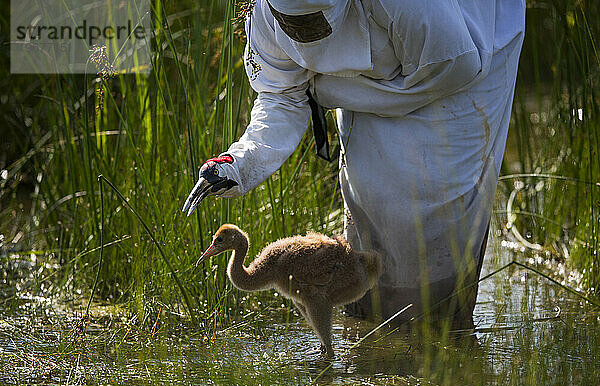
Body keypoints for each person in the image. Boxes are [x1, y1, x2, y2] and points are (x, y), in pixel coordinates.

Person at [183, 0, 526, 322]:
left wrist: (328, 90)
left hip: (466, 63)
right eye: (293, 23)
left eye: (312, 22)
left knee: (433, 222)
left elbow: (454, 68)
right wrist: (237, 166)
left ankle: (441, 347)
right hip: (382, 68)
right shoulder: (264, 13)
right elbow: (281, 97)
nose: (304, 36)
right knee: (367, 205)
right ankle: (372, 338)